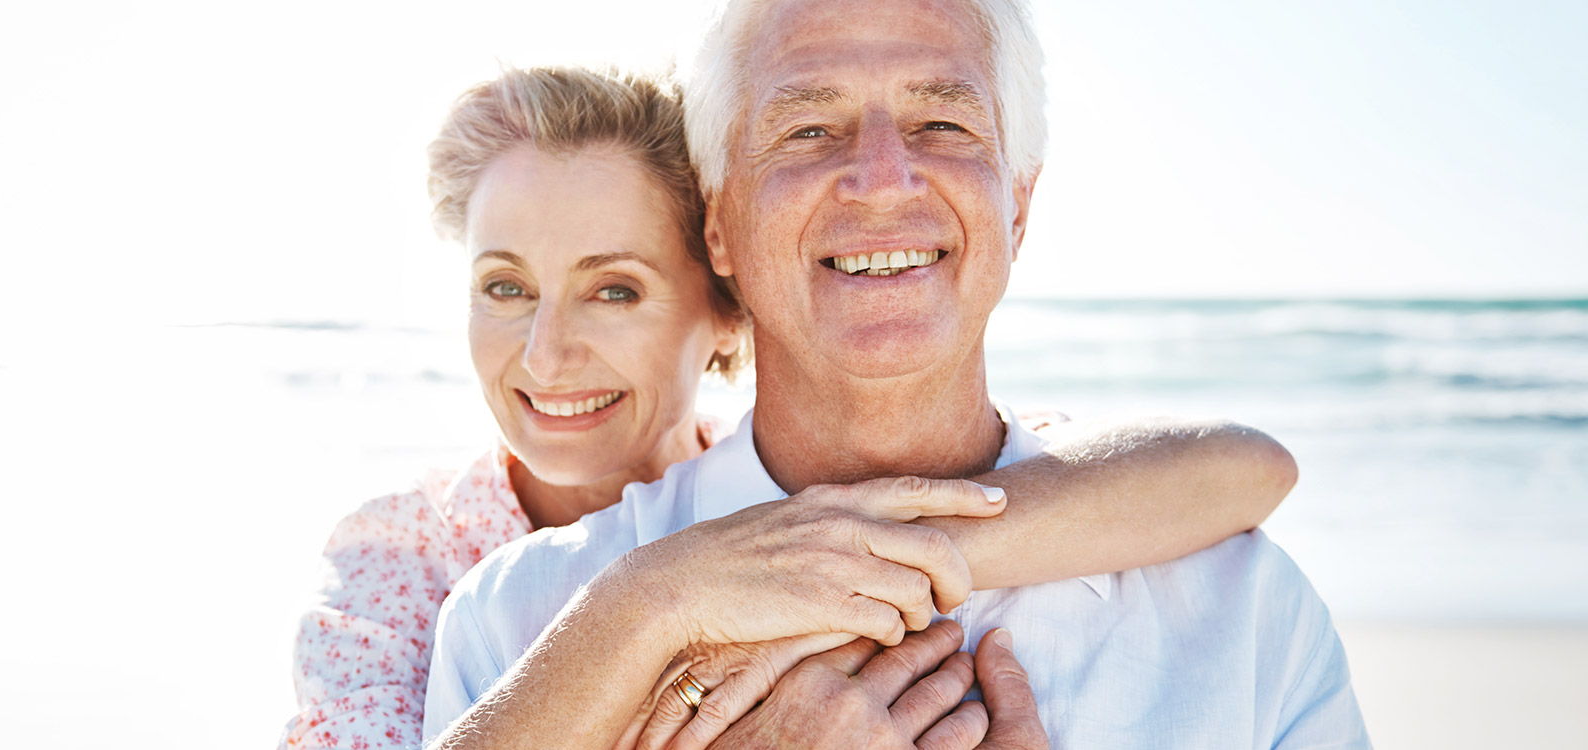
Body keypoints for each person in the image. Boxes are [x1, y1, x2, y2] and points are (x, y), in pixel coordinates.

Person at [422, 1, 1371, 748]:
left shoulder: (1245, 613)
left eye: (942, 122)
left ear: (1019, 208)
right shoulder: (517, 629)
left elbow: (1252, 463)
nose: (882, 178)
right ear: (719, 224)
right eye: (808, 131)